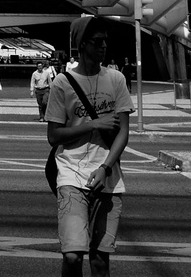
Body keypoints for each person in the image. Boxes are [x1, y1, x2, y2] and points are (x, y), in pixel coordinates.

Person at [48, 16, 131, 277]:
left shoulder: (116, 79)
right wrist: (94, 125)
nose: (103, 46)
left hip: (107, 178)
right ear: (82, 45)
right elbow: (54, 136)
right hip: (72, 175)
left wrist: (105, 168)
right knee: (72, 256)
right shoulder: (62, 83)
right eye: (97, 42)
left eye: (106, 41)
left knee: (99, 260)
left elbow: (124, 132)